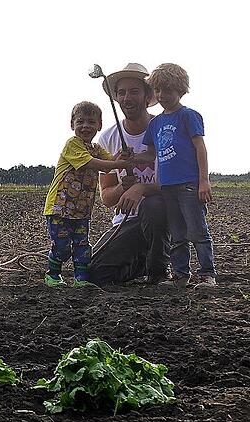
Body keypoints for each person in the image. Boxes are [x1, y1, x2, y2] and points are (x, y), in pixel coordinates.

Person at [87, 63, 171, 286]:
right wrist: (125, 187)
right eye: (121, 92)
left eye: (134, 91)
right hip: (127, 224)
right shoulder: (108, 139)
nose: (126, 98)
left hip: (163, 220)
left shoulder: (165, 129)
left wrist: (141, 188)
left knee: (152, 205)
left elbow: (176, 184)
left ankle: (160, 270)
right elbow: (107, 197)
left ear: (147, 96)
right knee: (94, 274)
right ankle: (144, 263)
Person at [134, 63, 217, 288]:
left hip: (189, 184)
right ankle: (181, 276)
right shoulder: (156, 123)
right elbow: (150, 154)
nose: (163, 95)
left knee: (197, 231)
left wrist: (203, 180)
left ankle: (207, 275)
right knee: (177, 235)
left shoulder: (188, 116)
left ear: (180, 90)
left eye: (168, 90)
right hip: (167, 187)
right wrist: (130, 157)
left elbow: (200, 147)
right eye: (158, 90)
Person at [43, 101, 132, 288]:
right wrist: (118, 165)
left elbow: (111, 159)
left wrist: (122, 156)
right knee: (62, 245)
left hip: (81, 209)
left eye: (91, 122)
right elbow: (97, 165)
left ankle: (80, 279)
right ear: (72, 125)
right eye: (80, 122)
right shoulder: (73, 145)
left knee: (82, 246)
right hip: (60, 208)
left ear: (99, 125)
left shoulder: (96, 148)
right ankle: (53, 275)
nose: (85, 126)